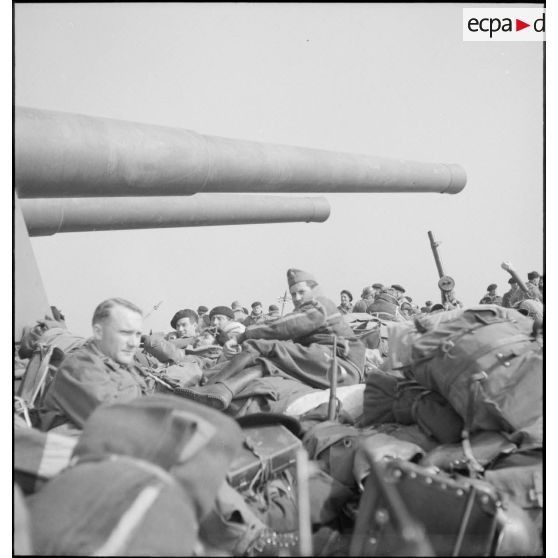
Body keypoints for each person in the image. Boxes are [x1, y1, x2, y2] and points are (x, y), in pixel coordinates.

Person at [177, 268, 366, 411]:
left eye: (301, 292)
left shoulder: (321, 305)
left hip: (341, 363)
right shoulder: (307, 310)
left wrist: (243, 336)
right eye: (293, 294)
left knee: (263, 346)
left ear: (315, 290)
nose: (297, 298)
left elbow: (284, 326)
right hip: (327, 364)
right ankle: (218, 388)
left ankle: (213, 387)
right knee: (268, 360)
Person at [39, 298, 156, 434]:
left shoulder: (124, 365)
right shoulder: (80, 366)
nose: (133, 343)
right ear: (98, 332)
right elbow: (112, 423)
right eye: (125, 333)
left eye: (138, 334)